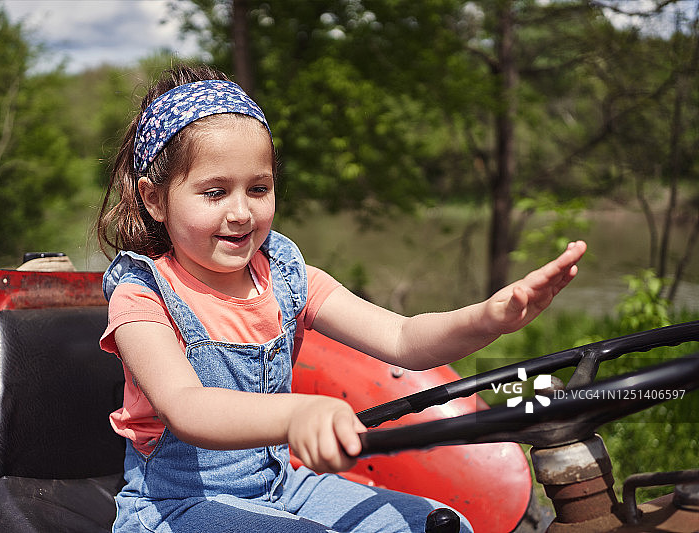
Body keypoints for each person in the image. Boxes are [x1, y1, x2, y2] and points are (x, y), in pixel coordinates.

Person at [96, 63, 586, 533]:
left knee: (441, 524)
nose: (242, 212)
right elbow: (188, 407)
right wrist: (298, 414)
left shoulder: (287, 277)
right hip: (179, 508)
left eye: (259, 188)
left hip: (282, 486)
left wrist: (488, 317)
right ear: (155, 199)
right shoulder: (143, 296)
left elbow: (402, 338)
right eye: (214, 192)